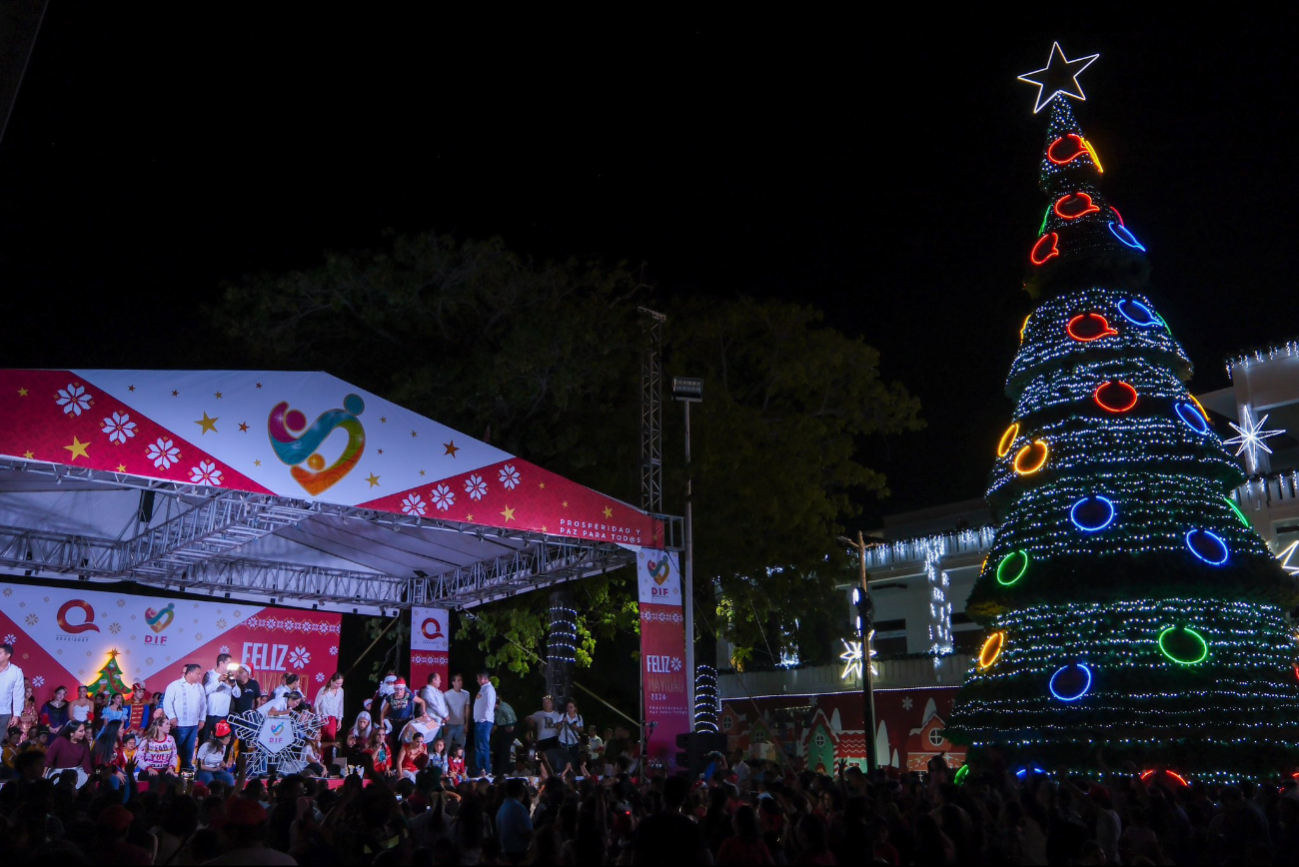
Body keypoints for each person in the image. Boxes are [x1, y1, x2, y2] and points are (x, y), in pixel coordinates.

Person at [163, 663, 207, 771]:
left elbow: (203, 705)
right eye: (198, 674)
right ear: (190, 673)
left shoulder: (199, 687)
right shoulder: (174, 685)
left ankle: (186, 780)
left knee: (188, 752)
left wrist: (202, 719)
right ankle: (171, 773)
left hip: (193, 725)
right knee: (175, 750)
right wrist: (172, 717)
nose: (200, 676)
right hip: (179, 725)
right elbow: (167, 703)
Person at [497, 776, 534, 863]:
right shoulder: (518, 808)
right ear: (522, 792)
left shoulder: (502, 807)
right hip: (517, 855)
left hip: (505, 853)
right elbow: (527, 832)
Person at [378, 678, 422, 747]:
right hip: (396, 722)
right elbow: (383, 712)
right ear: (394, 689)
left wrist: (423, 712)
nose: (399, 691)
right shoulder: (390, 697)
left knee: (408, 741)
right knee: (395, 742)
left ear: (404, 689)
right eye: (397, 689)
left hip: (407, 722)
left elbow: (421, 701)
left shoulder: (408, 695)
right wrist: (382, 724)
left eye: (401, 689)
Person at [204, 652, 238, 733]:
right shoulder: (209, 674)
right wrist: (218, 680)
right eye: (228, 663)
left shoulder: (231, 676)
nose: (230, 666)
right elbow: (205, 691)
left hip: (223, 714)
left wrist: (233, 685)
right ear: (221, 663)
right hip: (209, 713)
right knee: (206, 739)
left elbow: (237, 694)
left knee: (220, 740)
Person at [196, 720, 236, 787]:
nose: (230, 740)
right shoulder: (206, 746)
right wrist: (213, 769)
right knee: (210, 781)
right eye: (228, 738)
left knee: (229, 778)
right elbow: (199, 765)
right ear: (222, 738)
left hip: (217, 770)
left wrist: (223, 764)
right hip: (204, 770)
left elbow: (219, 760)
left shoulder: (224, 747)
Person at [527, 695, 562, 774]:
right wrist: (530, 722)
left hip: (554, 738)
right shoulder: (538, 714)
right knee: (543, 758)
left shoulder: (557, 715)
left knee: (553, 757)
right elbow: (528, 718)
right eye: (545, 703)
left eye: (548, 702)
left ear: (552, 704)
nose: (546, 704)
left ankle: (554, 772)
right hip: (542, 739)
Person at [90, 719, 129, 789]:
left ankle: (124, 800)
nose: (124, 730)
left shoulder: (119, 742)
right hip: (99, 770)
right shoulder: (103, 742)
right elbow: (100, 763)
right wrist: (115, 772)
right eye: (122, 728)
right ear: (115, 729)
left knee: (126, 776)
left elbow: (122, 759)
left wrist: (123, 767)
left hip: (113, 769)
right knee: (115, 779)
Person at [313, 671, 344, 754]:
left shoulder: (341, 691)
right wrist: (319, 719)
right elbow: (316, 704)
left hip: (333, 718)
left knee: (331, 740)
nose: (339, 685)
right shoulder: (324, 689)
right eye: (337, 683)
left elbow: (340, 705)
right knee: (321, 740)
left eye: (340, 683)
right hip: (323, 718)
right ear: (332, 681)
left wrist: (340, 719)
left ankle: (329, 762)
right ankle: (320, 759)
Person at [472, 670, 496, 777]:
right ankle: (479, 768)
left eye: (478, 678)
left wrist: (483, 719)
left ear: (482, 678)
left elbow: (489, 704)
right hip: (480, 721)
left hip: (484, 721)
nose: (477, 681)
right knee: (479, 745)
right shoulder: (483, 689)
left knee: (483, 745)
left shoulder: (489, 689)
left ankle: (485, 769)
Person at [442, 672, 471, 755]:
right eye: (458, 680)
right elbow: (443, 710)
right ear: (453, 682)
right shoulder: (446, 694)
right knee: (446, 747)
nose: (461, 682)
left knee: (461, 748)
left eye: (461, 680)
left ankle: (461, 766)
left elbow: (467, 709)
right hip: (449, 725)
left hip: (461, 725)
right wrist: (444, 725)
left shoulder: (466, 694)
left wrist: (466, 724)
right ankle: (445, 765)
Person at [0, 642, 24, 736]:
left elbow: (18, 694)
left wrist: (16, 714)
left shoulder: (16, 671)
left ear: (7, 655)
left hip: (4, 711)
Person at [420, 671, 450, 742]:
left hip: (439, 721)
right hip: (431, 721)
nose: (440, 681)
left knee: (438, 742)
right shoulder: (428, 691)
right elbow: (434, 705)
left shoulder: (439, 692)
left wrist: (445, 717)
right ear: (434, 680)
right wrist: (444, 715)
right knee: (431, 742)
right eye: (439, 679)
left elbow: (444, 704)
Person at [494, 694, 518, 778]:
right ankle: (497, 771)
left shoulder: (504, 706)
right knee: (498, 748)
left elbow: (509, 716)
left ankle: (505, 770)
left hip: (509, 727)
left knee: (505, 748)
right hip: (501, 728)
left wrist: (510, 726)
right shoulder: (495, 709)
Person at [557, 699, 584, 770]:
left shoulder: (579, 717)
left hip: (574, 741)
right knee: (563, 759)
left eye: (571, 707)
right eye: (568, 707)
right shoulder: (563, 715)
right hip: (563, 741)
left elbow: (582, 729)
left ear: (575, 708)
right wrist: (562, 721)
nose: (570, 709)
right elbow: (556, 725)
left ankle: (573, 772)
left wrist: (576, 728)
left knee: (574, 759)